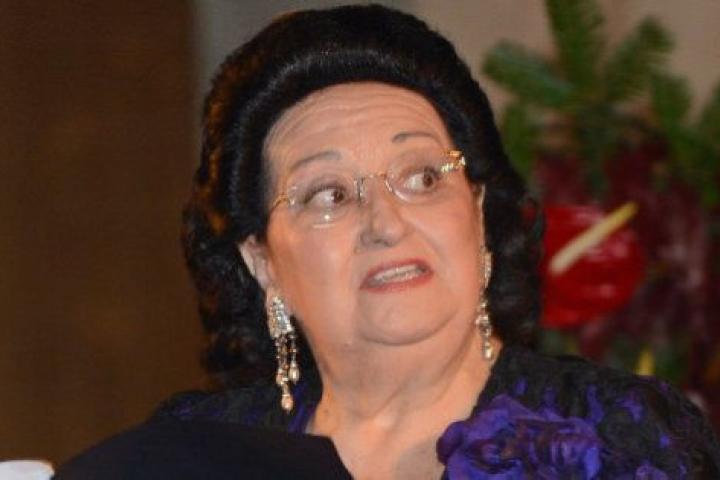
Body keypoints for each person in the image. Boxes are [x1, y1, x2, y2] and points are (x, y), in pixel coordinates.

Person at [58, 4, 720, 479]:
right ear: (263, 263)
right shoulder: (197, 456)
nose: (386, 222)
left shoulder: (619, 435)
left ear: (478, 213)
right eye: (329, 195)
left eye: (423, 177)